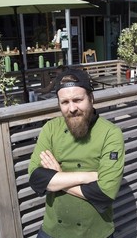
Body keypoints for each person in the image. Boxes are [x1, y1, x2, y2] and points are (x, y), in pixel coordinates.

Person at [28, 68, 125, 238]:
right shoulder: (50, 129)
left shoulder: (111, 133)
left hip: (96, 233)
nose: (72, 108)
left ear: (91, 98)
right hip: (52, 231)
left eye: (78, 100)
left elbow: (105, 193)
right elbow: (36, 179)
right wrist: (87, 177)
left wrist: (57, 177)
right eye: (65, 102)